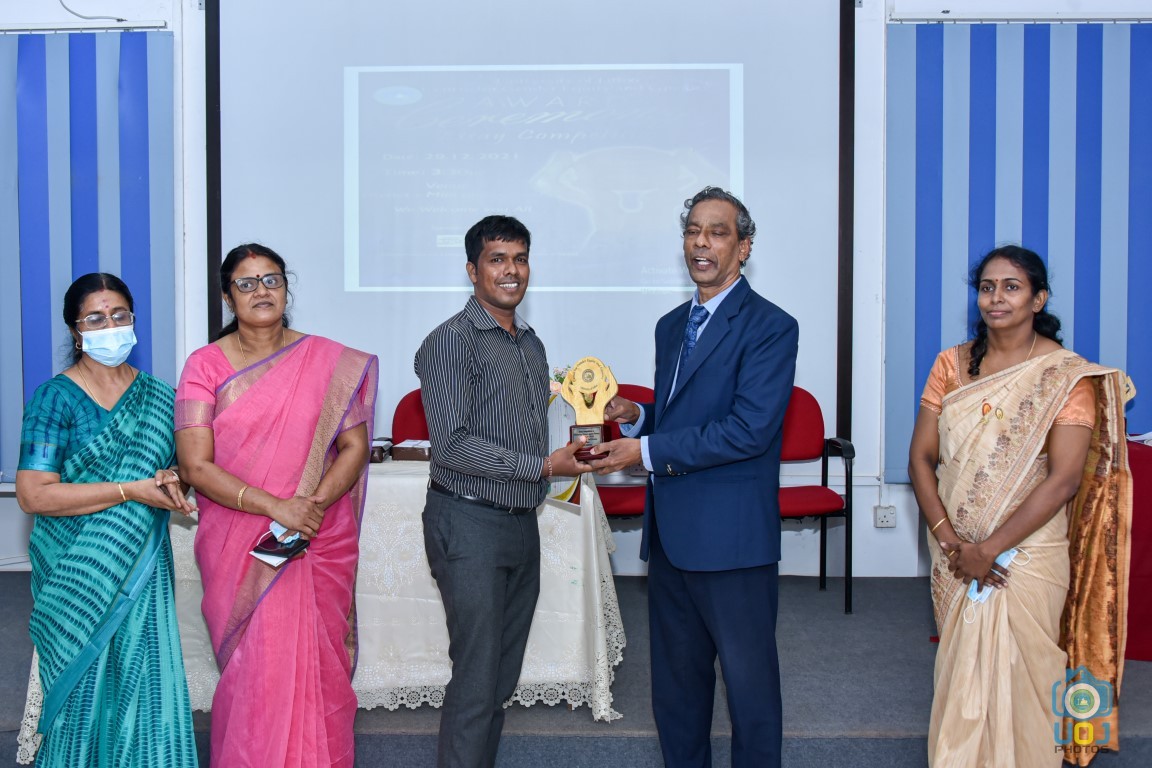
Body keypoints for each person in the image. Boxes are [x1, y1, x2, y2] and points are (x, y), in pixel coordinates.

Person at [590, 187, 798, 768]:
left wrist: (643, 450)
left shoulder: (771, 326)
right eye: (692, 231)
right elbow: (686, 417)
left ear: (743, 247)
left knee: (751, 694)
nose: (701, 243)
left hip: (732, 541)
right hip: (671, 539)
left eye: (717, 232)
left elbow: (749, 431)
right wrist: (639, 416)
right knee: (677, 694)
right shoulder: (670, 325)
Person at [908, 246, 1131, 768]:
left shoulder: (1067, 376)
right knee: (963, 675)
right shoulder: (950, 364)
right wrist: (951, 541)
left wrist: (989, 549)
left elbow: (1064, 480)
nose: (996, 298)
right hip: (954, 551)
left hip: (1026, 554)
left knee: (1028, 672)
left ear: (1038, 298)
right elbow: (920, 458)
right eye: (987, 287)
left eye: (1012, 287)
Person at [175, 244, 378, 768]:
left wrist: (309, 506)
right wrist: (276, 507)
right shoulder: (204, 366)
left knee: (317, 666)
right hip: (240, 540)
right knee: (257, 668)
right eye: (246, 283)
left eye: (272, 279)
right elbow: (195, 465)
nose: (261, 291)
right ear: (227, 297)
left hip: (314, 533)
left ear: (286, 288)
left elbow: (354, 446)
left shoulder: (327, 361)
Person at [415, 215, 592, 768]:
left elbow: (522, 429)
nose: (511, 270)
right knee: (476, 679)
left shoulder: (530, 344)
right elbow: (450, 445)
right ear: (473, 270)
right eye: (497, 259)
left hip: (520, 522)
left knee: (499, 678)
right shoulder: (451, 341)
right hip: (468, 523)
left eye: (520, 258)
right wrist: (542, 465)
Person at [14, 273, 199, 767]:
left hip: (141, 568)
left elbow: (181, 475)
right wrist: (128, 490)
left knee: (145, 682)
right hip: (74, 573)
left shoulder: (161, 397)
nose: (110, 326)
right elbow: (33, 494)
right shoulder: (55, 399)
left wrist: (172, 479)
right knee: (81, 688)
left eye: (120, 315)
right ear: (76, 332)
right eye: (95, 319)